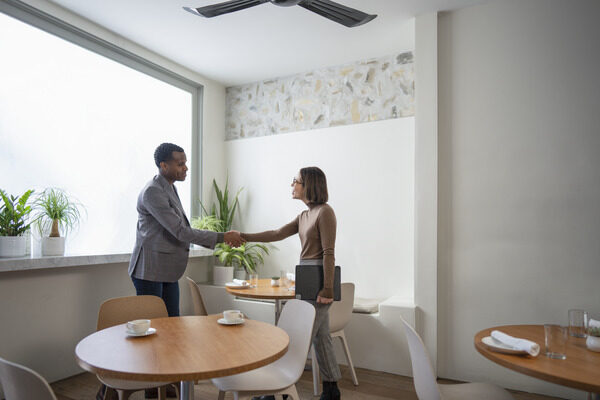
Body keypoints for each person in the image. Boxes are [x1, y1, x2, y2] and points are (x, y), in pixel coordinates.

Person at [241, 167, 342, 400]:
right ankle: (332, 389)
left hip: (318, 277)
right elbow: (276, 233)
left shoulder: (325, 212)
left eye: (295, 181)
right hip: (306, 275)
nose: (292, 185)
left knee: (298, 336)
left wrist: (327, 288)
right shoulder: (305, 215)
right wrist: (245, 237)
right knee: (321, 336)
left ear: (309, 185)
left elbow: (328, 253)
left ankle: (276, 390)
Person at [128, 142, 244, 317]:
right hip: (149, 269)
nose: (186, 168)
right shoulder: (153, 191)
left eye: (185, 163)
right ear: (163, 165)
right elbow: (180, 231)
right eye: (180, 164)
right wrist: (222, 237)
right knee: (155, 327)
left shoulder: (168, 187)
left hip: (166, 269)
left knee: (173, 322)